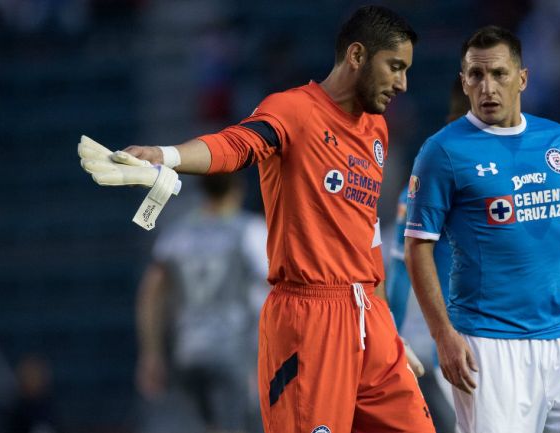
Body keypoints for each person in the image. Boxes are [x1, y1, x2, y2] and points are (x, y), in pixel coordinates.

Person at [80, 6, 435, 433]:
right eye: (395, 67)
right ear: (357, 55)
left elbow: (367, 232)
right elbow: (237, 145)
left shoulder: (376, 128)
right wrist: (167, 156)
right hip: (309, 319)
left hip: (368, 317)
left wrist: (387, 331)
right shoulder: (294, 111)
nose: (403, 83)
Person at [404, 26, 560, 433]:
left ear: (522, 77)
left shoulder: (556, 140)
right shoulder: (442, 151)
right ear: (463, 81)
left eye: (499, 74)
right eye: (475, 75)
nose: (487, 86)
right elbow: (416, 248)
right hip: (487, 345)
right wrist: (444, 336)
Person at [135, 173, 268, 433]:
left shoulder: (176, 234)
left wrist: (151, 353)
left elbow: (150, 293)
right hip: (235, 351)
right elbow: (272, 289)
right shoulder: (251, 231)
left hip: (189, 351)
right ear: (239, 188)